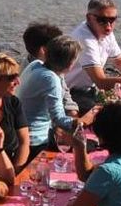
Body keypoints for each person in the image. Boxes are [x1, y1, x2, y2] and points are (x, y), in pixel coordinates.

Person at [63, 0, 121, 109]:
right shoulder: (84, 39)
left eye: (112, 20)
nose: (108, 25)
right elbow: (101, 82)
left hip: (88, 89)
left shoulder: (105, 32)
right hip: (69, 92)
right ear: (89, 18)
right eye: (102, 20)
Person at [17, 34, 84, 162]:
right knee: (84, 145)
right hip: (35, 140)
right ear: (70, 63)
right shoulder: (50, 78)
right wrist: (83, 121)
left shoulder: (36, 64)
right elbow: (58, 119)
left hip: (23, 131)